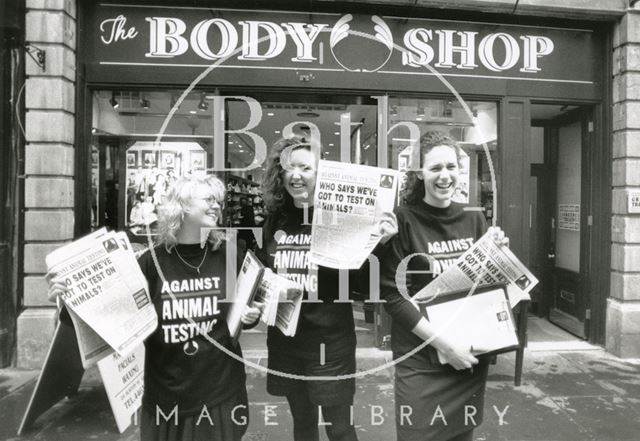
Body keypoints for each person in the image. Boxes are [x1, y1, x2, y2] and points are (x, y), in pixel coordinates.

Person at [47, 175, 262, 441]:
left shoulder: (229, 254)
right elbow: (109, 313)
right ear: (181, 205)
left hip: (221, 391)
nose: (217, 206)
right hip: (167, 395)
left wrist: (251, 316)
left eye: (218, 201)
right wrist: (68, 300)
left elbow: (244, 311)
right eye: (208, 199)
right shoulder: (151, 262)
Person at [258, 136, 397, 441]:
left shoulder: (338, 219)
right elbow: (265, 271)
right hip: (285, 342)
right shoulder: (275, 219)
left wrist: (381, 245)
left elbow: (362, 286)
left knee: (341, 428)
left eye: (306, 168)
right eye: (289, 168)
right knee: (303, 425)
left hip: (330, 344)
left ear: (321, 175)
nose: (296, 175)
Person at [380, 131, 509, 441]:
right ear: (420, 172)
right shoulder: (402, 220)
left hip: (466, 357)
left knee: (461, 435)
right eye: (435, 168)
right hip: (421, 359)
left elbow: (486, 289)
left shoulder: (474, 219)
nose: (445, 176)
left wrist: (500, 256)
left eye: (451, 167)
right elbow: (393, 296)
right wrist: (445, 346)